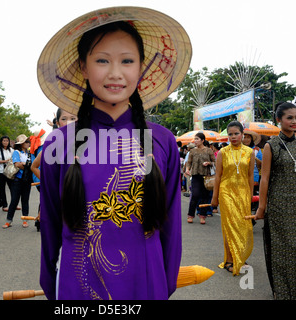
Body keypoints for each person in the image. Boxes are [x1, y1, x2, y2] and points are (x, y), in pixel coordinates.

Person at [37, 7, 190, 300]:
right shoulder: (58, 143)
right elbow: (51, 226)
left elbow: (170, 227)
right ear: (83, 67)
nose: (116, 73)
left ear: (141, 67)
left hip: (146, 282)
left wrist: (164, 282)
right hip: (78, 287)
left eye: (127, 61)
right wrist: (51, 282)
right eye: (102, 60)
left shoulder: (163, 140)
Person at [253, 102, 296, 300]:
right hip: (278, 205)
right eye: (290, 117)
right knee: (281, 251)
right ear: (279, 120)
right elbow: (265, 178)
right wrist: (262, 207)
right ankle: (282, 292)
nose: (295, 121)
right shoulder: (271, 145)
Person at [211, 121, 255, 275]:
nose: (233, 136)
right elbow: (218, 176)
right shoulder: (223, 152)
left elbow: (250, 176)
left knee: (242, 225)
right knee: (229, 225)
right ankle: (230, 259)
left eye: (236, 133)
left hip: (243, 193)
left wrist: (250, 195)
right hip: (226, 192)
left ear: (243, 134)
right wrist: (214, 197)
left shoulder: (250, 152)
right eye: (230, 134)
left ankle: (240, 255)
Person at [2, 134, 32, 229]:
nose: (28, 143)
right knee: (14, 200)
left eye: (28, 141)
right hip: (17, 180)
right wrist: (27, 167)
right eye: (26, 142)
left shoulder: (29, 153)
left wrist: (26, 166)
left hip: (27, 180)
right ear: (21, 143)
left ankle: (25, 220)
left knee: (25, 200)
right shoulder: (16, 152)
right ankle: (8, 221)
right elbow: (17, 164)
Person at [185, 133, 216, 224]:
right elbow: (189, 162)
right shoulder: (192, 151)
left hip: (206, 176)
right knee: (195, 194)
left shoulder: (209, 150)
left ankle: (203, 216)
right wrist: (187, 169)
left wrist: (209, 163)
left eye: (197, 139)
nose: (195, 140)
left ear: (202, 140)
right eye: (195, 139)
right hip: (195, 175)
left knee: (205, 196)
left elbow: (214, 162)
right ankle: (190, 215)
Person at [0, 136, 13, 212]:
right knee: (2, 189)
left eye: (7, 141)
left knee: (12, 188)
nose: (5, 142)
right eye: (4, 141)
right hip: (1, 171)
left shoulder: (11, 150)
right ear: (1, 142)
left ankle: (14, 204)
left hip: (9, 171)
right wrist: (5, 161)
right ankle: (4, 205)